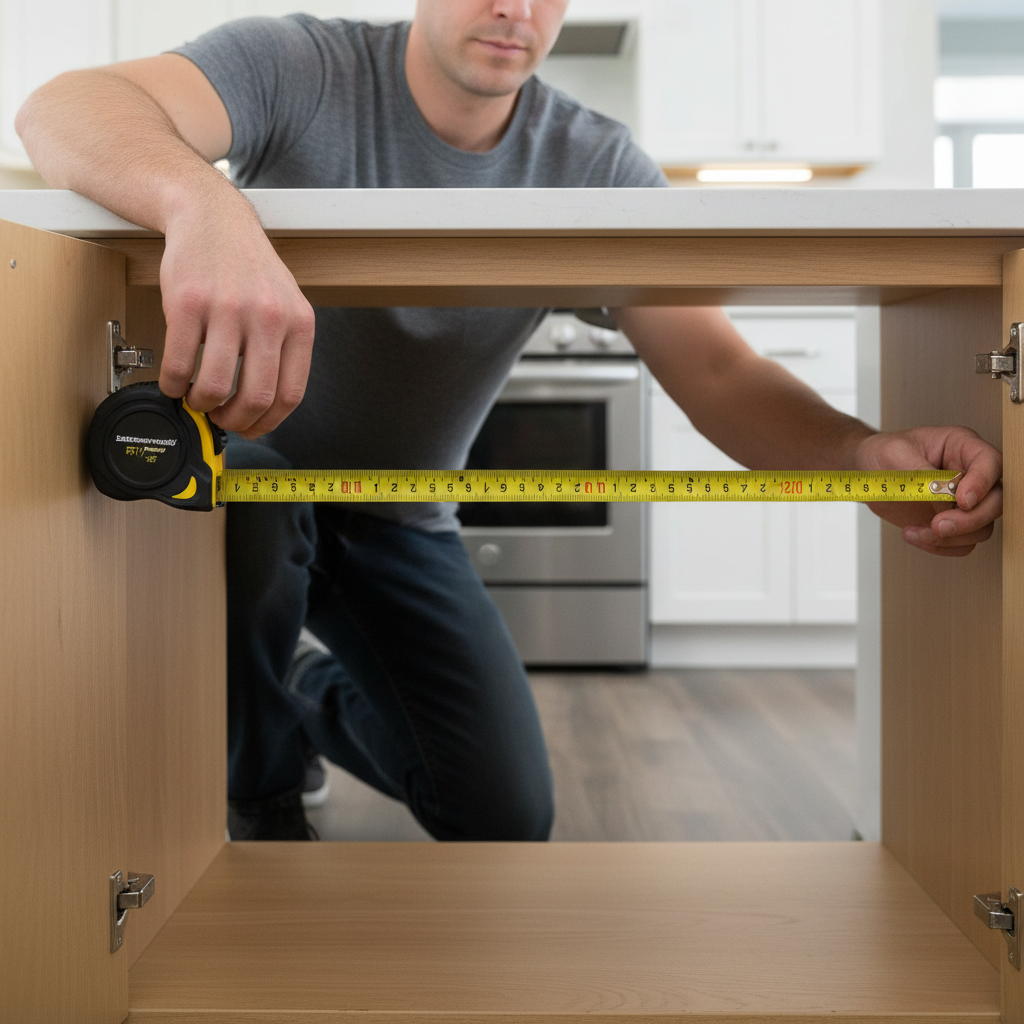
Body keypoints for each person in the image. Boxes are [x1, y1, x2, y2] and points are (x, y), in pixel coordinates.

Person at [16, 0, 1003, 841]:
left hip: (403, 519)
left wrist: (861, 456)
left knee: (502, 813)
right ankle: (262, 783)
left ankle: (301, 698)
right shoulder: (299, 65)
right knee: (257, 516)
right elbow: (63, 108)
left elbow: (715, 365)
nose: (515, 8)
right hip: (241, 494)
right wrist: (207, 210)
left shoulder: (596, 165)